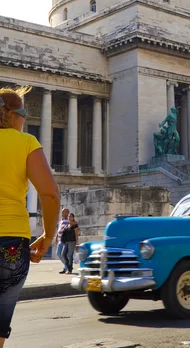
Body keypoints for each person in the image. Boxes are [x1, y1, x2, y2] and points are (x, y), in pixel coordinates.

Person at [0, 87, 60, 346]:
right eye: (24, 113)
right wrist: (48, 236)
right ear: (13, 115)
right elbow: (49, 195)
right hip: (11, 241)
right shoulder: (25, 143)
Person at [55, 208, 69, 274]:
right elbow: (59, 230)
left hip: (65, 240)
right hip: (60, 240)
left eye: (65, 212)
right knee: (58, 253)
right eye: (63, 212)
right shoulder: (61, 221)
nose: (63, 213)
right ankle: (67, 265)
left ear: (67, 213)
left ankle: (66, 267)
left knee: (63, 254)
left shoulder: (68, 221)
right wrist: (56, 238)